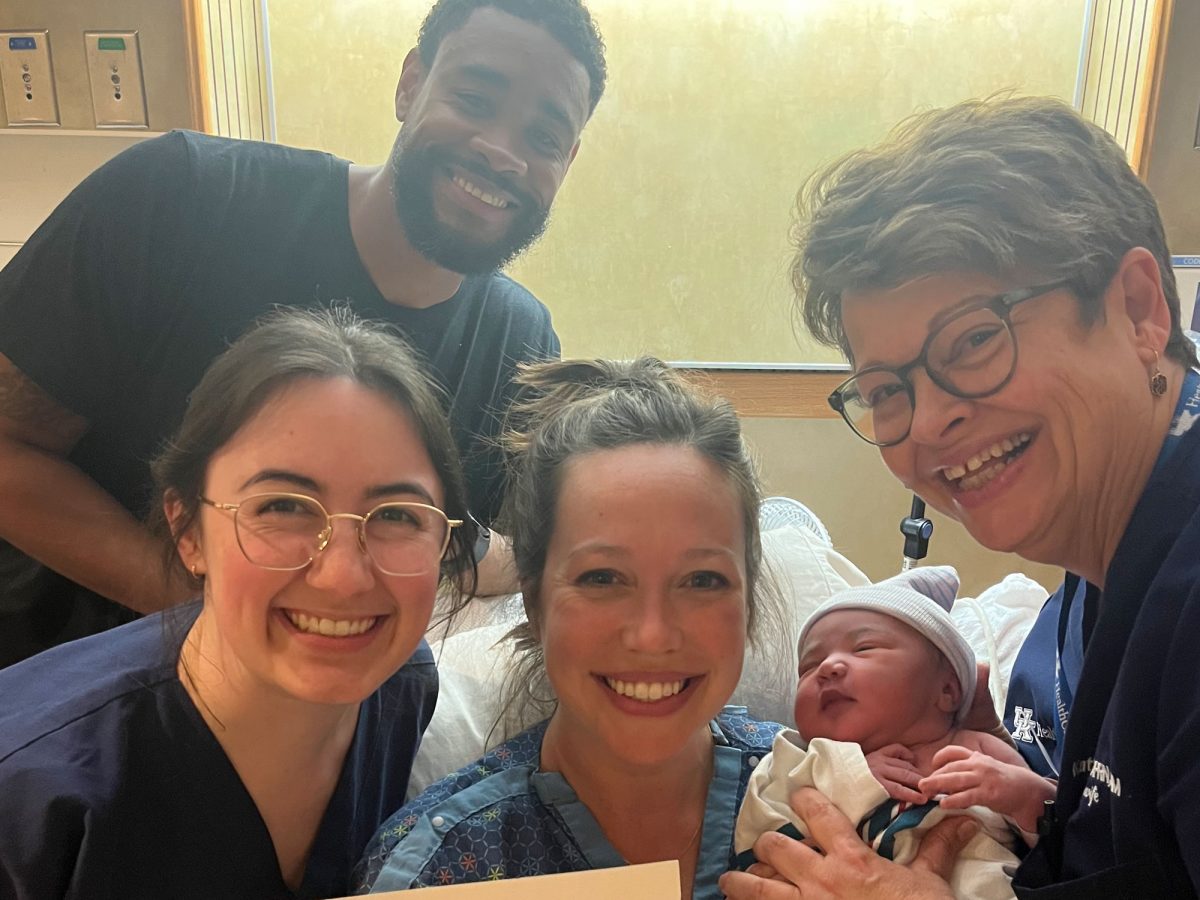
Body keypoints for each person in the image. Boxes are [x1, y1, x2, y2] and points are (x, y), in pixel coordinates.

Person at [0, 0, 607, 667]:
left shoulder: (518, 346)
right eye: (474, 97)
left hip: (309, 723)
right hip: (50, 686)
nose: (501, 151)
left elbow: (472, 544)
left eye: (544, 138)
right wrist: (214, 615)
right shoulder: (182, 198)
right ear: (410, 84)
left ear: (570, 161)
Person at [722, 95, 1200, 899]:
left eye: (975, 339)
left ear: (1137, 308)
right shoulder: (1087, 583)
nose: (931, 420)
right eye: (885, 390)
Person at [0, 308, 476, 898]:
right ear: (188, 532)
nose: (344, 578)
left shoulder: (399, 685)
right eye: (283, 507)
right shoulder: (28, 796)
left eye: (398, 516)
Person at [357, 357, 783, 900]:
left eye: (702, 580)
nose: (652, 635)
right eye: (602, 577)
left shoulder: (836, 811)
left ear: (748, 601)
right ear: (534, 600)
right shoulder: (440, 867)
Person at [734, 566, 1049, 899]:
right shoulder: (796, 758)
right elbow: (760, 834)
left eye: (864, 648)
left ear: (947, 691)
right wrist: (851, 777)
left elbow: (1061, 834)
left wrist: (1022, 795)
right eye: (809, 666)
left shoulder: (977, 749)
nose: (827, 667)